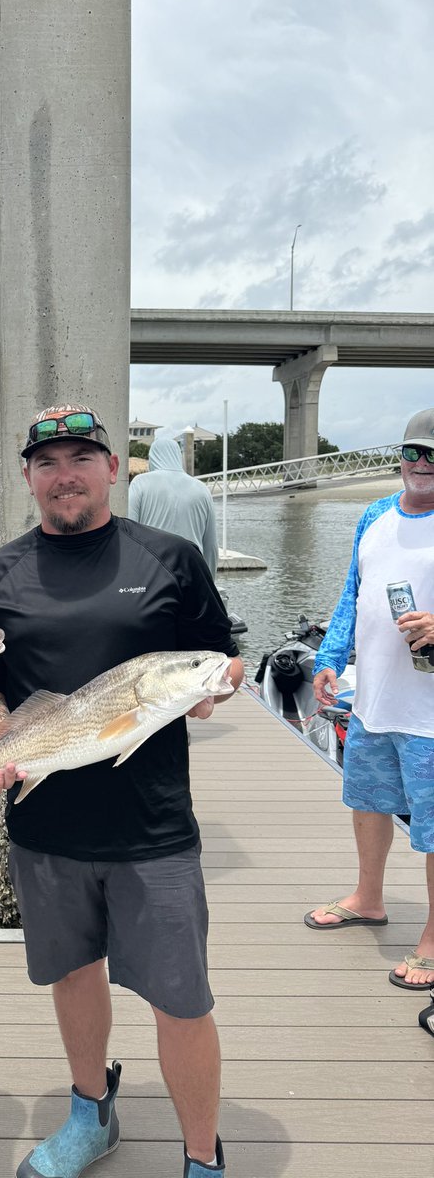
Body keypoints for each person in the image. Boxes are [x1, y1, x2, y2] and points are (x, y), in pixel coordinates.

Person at [0, 404, 244, 1178]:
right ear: (25, 477)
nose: (66, 475)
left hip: (153, 826)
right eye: (47, 462)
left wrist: (213, 687)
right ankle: (92, 1114)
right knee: (73, 975)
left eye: (81, 458)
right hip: (44, 824)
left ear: (113, 469)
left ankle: (203, 1156)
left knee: (182, 997)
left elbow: (221, 657)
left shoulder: (171, 559)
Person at [307, 407, 434, 991]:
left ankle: (433, 939)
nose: (422, 463)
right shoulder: (375, 515)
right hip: (374, 699)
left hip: (429, 715)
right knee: (367, 800)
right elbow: (351, 596)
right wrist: (330, 660)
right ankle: (369, 896)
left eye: (433, 454)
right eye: (413, 452)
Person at [128, 437, 219, 577]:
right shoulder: (202, 489)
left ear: (152, 458)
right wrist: (208, 582)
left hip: (152, 575)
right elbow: (211, 546)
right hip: (191, 574)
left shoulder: (140, 483)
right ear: (178, 457)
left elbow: (129, 534)